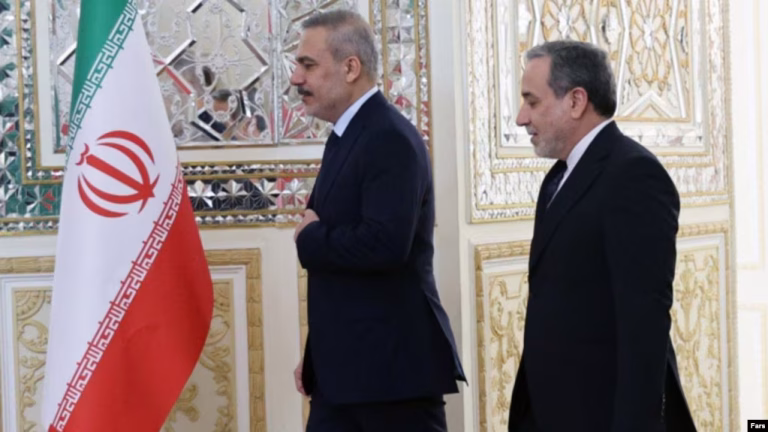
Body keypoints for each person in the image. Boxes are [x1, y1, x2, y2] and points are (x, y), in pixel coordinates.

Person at [289, 9, 466, 432]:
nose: (296, 78)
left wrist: (309, 238)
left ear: (350, 68)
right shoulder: (348, 134)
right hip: (347, 375)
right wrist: (318, 356)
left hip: (390, 377)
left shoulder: (388, 137)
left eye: (308, 65)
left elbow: (384, 244)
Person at [507, 40, 698, 432]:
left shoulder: (634, 176)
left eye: (532, 101)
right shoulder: (557, 177)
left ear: (576, 101)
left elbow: (643, 326)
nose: (521, 117)